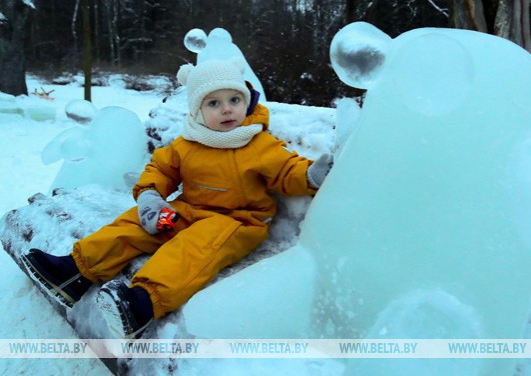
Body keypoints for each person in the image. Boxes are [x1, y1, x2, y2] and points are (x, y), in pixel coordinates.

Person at [21, 59, 333, 339]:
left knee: (194, 247)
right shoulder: (188, 143)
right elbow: (160, 169)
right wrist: (150, 198)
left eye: (234, 99)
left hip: (237, 221)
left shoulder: (259, 142)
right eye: (214, 103)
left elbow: (287, 171)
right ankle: (74, 271)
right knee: (133, 225)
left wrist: (310, 176)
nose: (227, 109)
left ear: (246, 101)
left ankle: (142, 303)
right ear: (197, 109)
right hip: (188, 208)